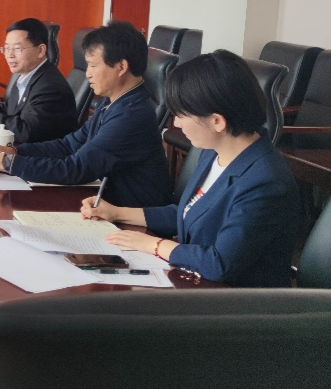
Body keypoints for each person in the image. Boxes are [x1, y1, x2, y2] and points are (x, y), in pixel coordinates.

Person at [82, 50, 302, 287]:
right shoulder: (213, 151)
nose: (176, 123)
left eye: (181, 115)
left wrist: (154, 245)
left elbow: (219, 264)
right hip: (198, 282)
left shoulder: (265, 182)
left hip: (239, 300)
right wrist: (116, 213)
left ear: (217, 121)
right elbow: (187, 213)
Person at [0, 21, 170, 208]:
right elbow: (68, 145)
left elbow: (76, 169)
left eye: (93, 65)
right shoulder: (114, 102)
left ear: (121, 67)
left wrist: (6, 163)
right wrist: (16, 152)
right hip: (102, 202)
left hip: (128, 216)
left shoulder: (131, 116)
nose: (88, 74)